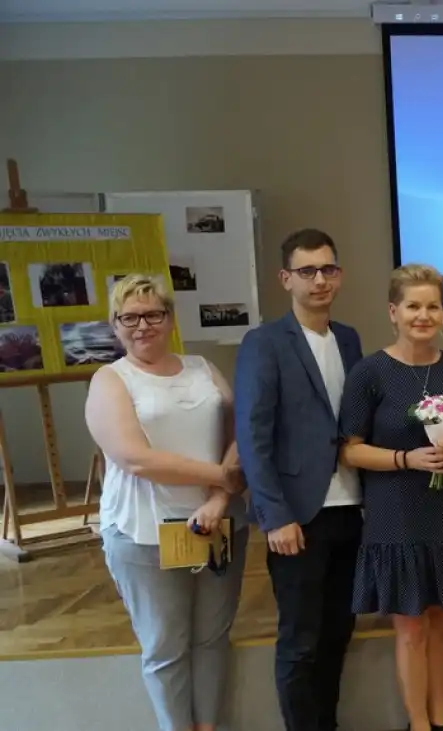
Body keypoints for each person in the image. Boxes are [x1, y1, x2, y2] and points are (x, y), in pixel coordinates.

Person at [86, 274, 247, 731]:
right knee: (165, 647)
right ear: (115, 325)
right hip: (144, 533)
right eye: (129, 317)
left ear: (171, 319)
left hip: (218, 525)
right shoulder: (110, 380)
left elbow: (240, 435)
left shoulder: (203, 368)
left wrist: (219, 498)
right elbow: (135, 458)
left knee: (212, 638)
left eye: (153, 314)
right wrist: (222, 477)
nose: (143, 325)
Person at [339, 264, 443, 731]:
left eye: (433, 307)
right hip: (396, 512)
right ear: (393, 312)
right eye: (413, 306)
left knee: (442, 622)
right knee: (410, 626)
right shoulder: (370, 372)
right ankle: (419, 724)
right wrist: (406, 459)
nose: (423, 316)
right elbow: (350, 450)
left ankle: (440, 721)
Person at [234, 228, 364, 731]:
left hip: (349, 507)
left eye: (327, 269)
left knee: (338, 633)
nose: (319, 280)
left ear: (340, 275)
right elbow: (253, 435)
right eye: (307, 271)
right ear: (286, 278)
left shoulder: (348, 338)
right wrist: (274, 515)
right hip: (298, 516)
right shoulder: (264, 343)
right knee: (300, 641)